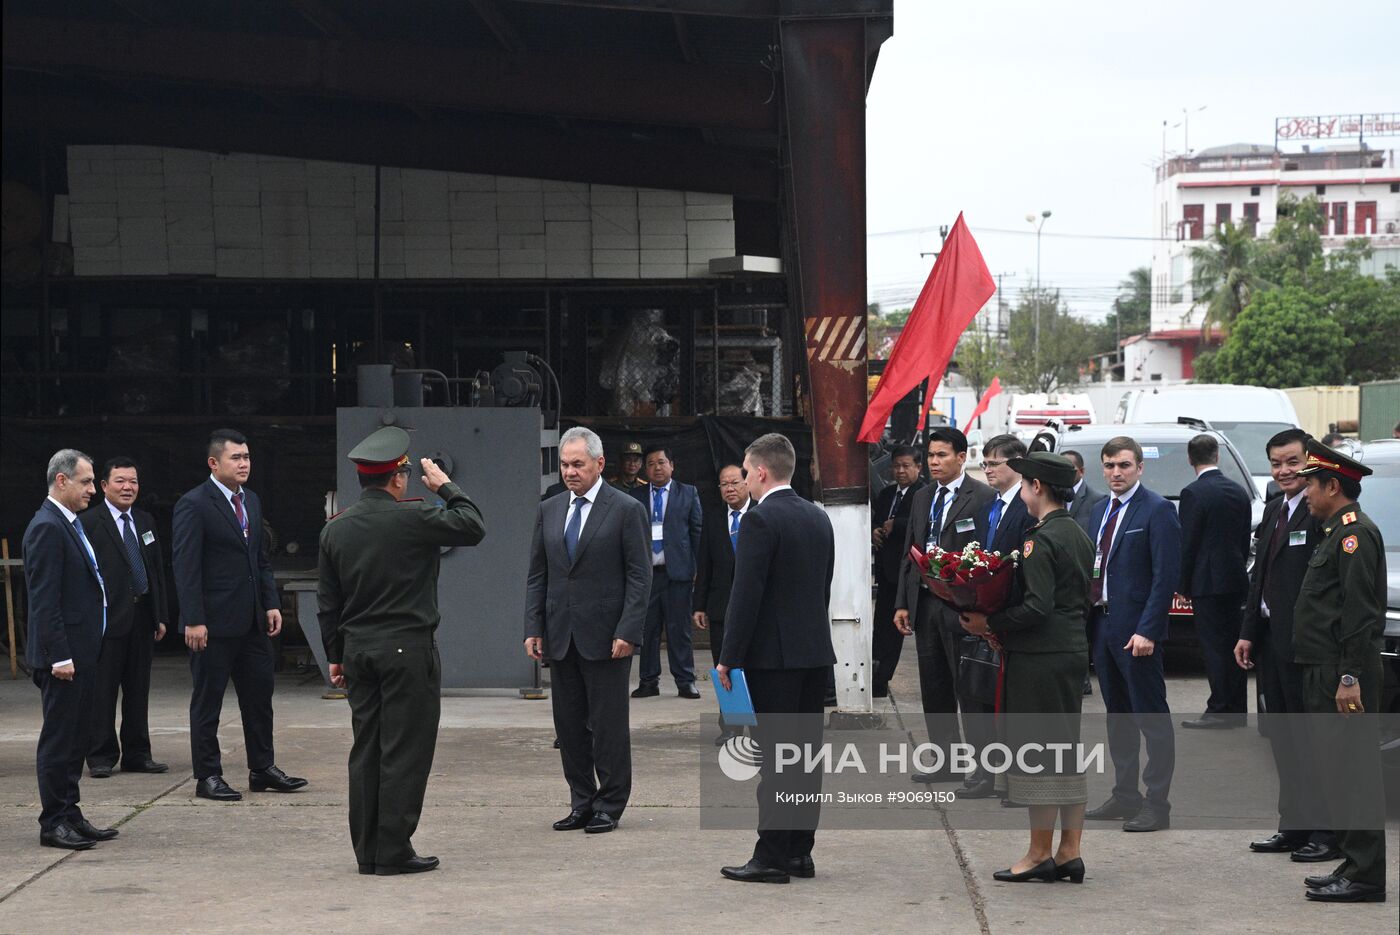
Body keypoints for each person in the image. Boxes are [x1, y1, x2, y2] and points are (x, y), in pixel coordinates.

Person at [318, 427, 486, 876]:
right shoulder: (415, 519)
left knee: (366, 750)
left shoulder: (336, 530)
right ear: (398, 477)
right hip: (406, 651)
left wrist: (336, 655)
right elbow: (473, 524)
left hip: (357, 652)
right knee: (404, 751)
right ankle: (393, 850)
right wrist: (445, 485)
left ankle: (368, 851)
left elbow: (328, 603)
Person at [959, 452, 1093, 883]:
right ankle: (1069, 850)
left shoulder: (1040, 538)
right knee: (1065, 750)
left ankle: (1039, 854)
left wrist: (990, 623)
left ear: (1037, 487)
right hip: (1069, 653)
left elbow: (1037, 606)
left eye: (1025, 483)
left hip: (1039, 659)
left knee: (1037, 754)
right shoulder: (1076, 532)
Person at [716, 433, 835, 884]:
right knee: (804, 758)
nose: (743, 480)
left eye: (745, 472)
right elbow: (822, 587)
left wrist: (728, 657)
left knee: (776, 761)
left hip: (773, 660)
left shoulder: (760, 521)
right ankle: (798, 852)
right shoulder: (817, 517)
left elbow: (746, 596)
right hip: (812, 655)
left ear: (761, 472)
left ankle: (769, 856)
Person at [525, 427, 651, 835]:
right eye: (564, 464)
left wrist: (629, 630)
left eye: (577, 464)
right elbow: (537, 574)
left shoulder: (626, 509)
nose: (570, 472)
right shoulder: (550, 509)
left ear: (599, 464)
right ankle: (581, 800)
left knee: (608, 725)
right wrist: (534, 626)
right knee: (569, 725)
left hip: (608, 636)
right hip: (561, 634)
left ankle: (609, 804)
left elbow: (639, 576)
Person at [173, 429, 306, 802]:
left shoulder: (252, 501)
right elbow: (186, 567)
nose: (244, 463)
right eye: (236, 458)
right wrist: (193, 619)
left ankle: (262, 768)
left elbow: (259, 560)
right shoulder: (194, 504)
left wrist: (271, 602)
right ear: (214, 463)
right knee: (208, 701)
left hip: (252, 622)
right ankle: (208, 776)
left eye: (247, 457)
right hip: (212, 624)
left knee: (259, 698)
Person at [1236, 429, 1338, 863]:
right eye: (1277, 463)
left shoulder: (1321, 515)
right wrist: (1246, 632)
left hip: (1307, 649)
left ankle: (1326, 832)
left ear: (1311, 462)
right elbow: (1260, 577)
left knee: (1312, 742)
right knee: (1282, 738)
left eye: (1292, 462)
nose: (1283, 471)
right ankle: (1293, 826)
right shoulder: (1276, 509)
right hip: (1271, 644)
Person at [1292, 440, 1387, 903]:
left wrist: (1349, 677)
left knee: (1354, 771)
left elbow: (1360, 611)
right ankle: (1354, 861)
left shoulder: (1354, 534)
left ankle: (1367, 875)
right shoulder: (1333, 532)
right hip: (1322, 670)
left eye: (1311, 483)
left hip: (1341, 675)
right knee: (1337, 771)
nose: (1304, 491)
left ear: (1333, 485)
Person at [1083, 436, 1181, 833]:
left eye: (1124, 465)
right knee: (1118, 717)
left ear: (1140, 467)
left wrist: (1148, 630)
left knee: (1150, 718)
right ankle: (1125, 795)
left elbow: (1166, 577)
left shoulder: (1157, 510)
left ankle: (1157, 803)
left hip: (1138, 633)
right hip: (1104, 626)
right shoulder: (1097, 510)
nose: (1116, 473)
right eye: (1109, 466)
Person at [24, 449, 119, 850]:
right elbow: (44, 602)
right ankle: (53, 821)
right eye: (85, 482)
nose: (93, 491)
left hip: (82, 654)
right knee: (60, 741)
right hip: (62, 658)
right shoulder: (47, 527)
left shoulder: (70, 524)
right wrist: (60, 655)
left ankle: (70, 812)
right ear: (61, 481)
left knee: (77, 739)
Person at [893, 427, 995, 784]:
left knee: (968, 688)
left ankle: (982, 767)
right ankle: (945, 759)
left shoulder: (981, 497)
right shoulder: (922, 497)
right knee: (934, 687)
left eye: (942, 456)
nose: (935, 462)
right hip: (925, 604)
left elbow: (988, 557)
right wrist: (902, 603)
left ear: (962, 457)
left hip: (961, 608)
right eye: (932, 456)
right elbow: (910, 551)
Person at [79, 457, 170, 778]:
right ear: (104, 486)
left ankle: (138, 753)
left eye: (132, 481)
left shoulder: (144, 521)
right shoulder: (89, 523)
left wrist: (159, 614)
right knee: (102, 691)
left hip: (142, 617)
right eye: (120, 481)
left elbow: (156, 570)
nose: (127, 487)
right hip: (107, 621)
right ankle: (101, 756)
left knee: (138, 690)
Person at [1177, 434, 1251, 729]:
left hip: (1207, 583)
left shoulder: (1193, 493)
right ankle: (1236, 708)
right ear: (1217, 456)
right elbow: (1244, 538)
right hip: (1235, 578)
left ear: (1190, 459)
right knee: (1234, 645)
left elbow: (1189, 542)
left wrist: (1183, 584)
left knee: (1214, 648)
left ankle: (1219, 709)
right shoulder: (1238, 491)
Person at [629, 444, 703, 699]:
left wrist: (696, 569)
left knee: (679, 630)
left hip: (678, 574)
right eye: (650, 463)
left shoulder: (688, 493)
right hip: (646, 576)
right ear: (645, 468)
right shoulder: (636, 496)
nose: (656, 467)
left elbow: (697, 532)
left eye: (661, 462)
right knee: (647, 631)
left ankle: (686, 681)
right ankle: (648, 681)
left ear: (671, 465)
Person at [692, 464, 753, 744]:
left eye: (734, 483)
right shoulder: (714, 519)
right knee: (725, 666)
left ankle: (762, 727)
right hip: (721, 606)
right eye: (723, 484)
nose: (729, 489)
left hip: (756, 608)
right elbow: (705, 564)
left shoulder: (761, 514)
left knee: (755, 667)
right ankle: (732, 726)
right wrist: (699, 604)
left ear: (747, 482)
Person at [870, 445, 924, 698]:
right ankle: (878, 677)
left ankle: (883, 675)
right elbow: (876, 519)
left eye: (906, 466)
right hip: (887, 572)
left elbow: (923, 525)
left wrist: (897, 525)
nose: (900, 471)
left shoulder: (923, 493)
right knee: (883, 626)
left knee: (902, 627)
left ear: (917, 467)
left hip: (912, 572)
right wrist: (876, 531)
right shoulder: (888, 493)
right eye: (897, 466)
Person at [1064, 449, 1106, 697]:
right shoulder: (1053, 495)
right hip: (1061, 578)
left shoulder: (1097, 501)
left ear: (1081, 472)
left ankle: (1081, 680)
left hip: (1086, 578)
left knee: (1082, 631)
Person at [1063, 450, 1106, 534]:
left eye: (1069, 468)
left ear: (1082, 471)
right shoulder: (1051, 496)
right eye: (1060, 468)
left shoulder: (1098, 500)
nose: (1064, 472)